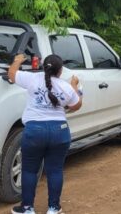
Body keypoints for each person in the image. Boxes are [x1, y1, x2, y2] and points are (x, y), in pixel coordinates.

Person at [8, 54, 82, 214]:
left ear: (43, 67)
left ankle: (27, 208)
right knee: (55, 170)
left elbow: (12, 75)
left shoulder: (32, 79)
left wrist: (17, 61)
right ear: (60, 71)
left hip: (35, 131)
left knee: (29, 170)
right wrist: (75, 86)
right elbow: (76, 105)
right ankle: (53, 208)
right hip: (60, 131)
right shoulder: (66, 87)